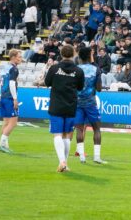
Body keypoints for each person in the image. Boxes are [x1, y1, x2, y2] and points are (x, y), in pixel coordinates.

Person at [43, 44, 84, 173]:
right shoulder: (78, 70)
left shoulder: (54, 68)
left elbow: (47, 82)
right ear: (73, 54)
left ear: (61, 54)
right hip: (71, 105)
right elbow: (80, 87)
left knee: (57, 134)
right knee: (67, 135)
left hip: (56, 104)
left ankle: (62, 161)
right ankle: (65, 163)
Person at [73, 46, 105, 165]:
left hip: (77, 103)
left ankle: (82, 156)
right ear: (89, 56)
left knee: (79, 130)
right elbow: (99, 88)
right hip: (91, 103)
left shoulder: (75, 69)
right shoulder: (95, 69)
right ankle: (97, 157)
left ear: (80, 57)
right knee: (96, 129)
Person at [0, 49, 21, 153]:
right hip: (9, 98)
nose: (21, 59)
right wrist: (15, 98)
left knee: (6, 121)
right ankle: (2, 144)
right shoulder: (14, 69)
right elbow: (11, 84)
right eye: (19, 57)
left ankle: (4, 145)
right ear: (13, 57)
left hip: (3, 96)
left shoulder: (5, 67)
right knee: (13, 122)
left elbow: (0, 83)